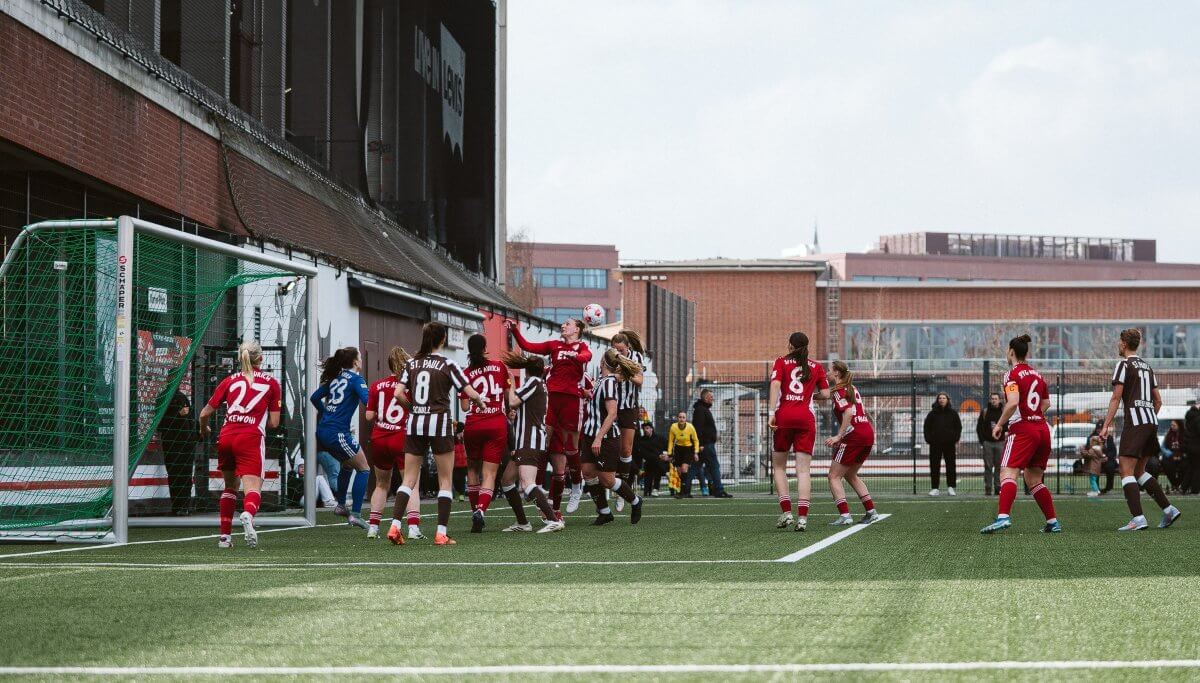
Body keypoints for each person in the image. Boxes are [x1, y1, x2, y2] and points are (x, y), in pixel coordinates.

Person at [388, 322, 486, 546]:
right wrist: (479, 402)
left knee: (409, 479)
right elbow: (468, 390)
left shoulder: (411, 364)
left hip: (415, 423)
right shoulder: (448, 364)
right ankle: (441, 533)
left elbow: (397, 394)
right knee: (445, 480)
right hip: (439, 423)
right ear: (442, 340)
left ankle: (394, 526)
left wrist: (412, 408)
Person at [505, 318, 592, 517]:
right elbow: (527, 345)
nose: (563, 326)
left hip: (571, 398)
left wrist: (578, 357)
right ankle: (534, 486)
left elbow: (587, 355)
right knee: (543, 442)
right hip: (553, 399)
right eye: (563, 324)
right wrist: (514, 331)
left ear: (577, 329)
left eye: (567, 324)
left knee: (571, 447)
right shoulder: (553, 345)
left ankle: (577, 486)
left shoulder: (582, 346)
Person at [198, 341, 281, 549]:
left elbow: (204, 414)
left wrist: (203, 429)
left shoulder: (229, 381)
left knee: (229, 487)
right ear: (260, 358)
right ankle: (248, 514)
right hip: (250, 437)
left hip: (226, 436)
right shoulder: (271, 383)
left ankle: (224, 539)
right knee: (253, 488)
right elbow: (273, 423)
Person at [1099, 328, 1181, 531]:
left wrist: (1106, 425)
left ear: (1124, 344)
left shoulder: (1123, 365)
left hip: (1135, 422)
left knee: (1125, 470)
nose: (1118, 345)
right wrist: (1149, 416)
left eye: (1119, 342)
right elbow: (1158, 400)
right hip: (1150, 421)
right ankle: (1169, 509)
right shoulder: (1146, 366)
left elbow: (1116, 397)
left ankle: (1138, 518)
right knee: (1139, 471)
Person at [981, 334, 1061, 534]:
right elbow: (1046, 404)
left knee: (1007, 471)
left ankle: (1003, 517)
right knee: (1034, 479)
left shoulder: (1012, 374)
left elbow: (1013, 401)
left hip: (1023, 429)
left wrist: (1000, 424)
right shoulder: (1038, 375)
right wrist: (1034, 417)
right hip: (1042, 430)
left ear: (1011, 352)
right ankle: (1052, 522)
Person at [768, 331, 830, 532]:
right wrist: (810, 396)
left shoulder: (780, 362)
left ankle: (786, 512)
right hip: (806, 419)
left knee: (779, 467)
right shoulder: (817, 366)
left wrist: (771, 412)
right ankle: (803, 518)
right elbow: (827, 394)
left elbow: (775, 385)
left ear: (790, 346)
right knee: (803, 470)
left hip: (784, 417)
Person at [496, 352, 562, 533]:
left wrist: (511, 382)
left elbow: (513, 401)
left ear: (527, 371)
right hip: (524, 440)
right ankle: (523, 522)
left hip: (529, 439)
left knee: (527, 483)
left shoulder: (533, 382)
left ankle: (553, 519)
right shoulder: (539, 383)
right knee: (507, 481)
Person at [309, 347, 372, 529]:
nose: (361, 360)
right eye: (360, 357)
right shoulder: (356, 380)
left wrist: (326, 412)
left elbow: (314, 397)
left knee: (347, 465)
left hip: (324, 430)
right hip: (337, 432)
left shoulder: (335, 379)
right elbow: (368, 401)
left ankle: (341, 505)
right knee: (364, 468)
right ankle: (357, 514)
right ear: (355, 362)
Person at [363, 347, 422, 540]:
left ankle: (373, 527)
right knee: (411, 483)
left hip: (380, 438)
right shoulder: (410, 386)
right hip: (402, 437)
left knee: (381, 484)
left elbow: (369, 415)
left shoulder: (376, 385)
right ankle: (413, 528)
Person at [579, 349, 644, 525]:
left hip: (606, 438)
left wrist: (599, 437)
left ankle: (636, 501)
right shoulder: (601, 380)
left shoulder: (608, 383)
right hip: (588, 434)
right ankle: (605, 512)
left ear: (602, 362)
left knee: (607, 480)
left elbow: (612, 414)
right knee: (587, 472)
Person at [460, 334, 514, 533]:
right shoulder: (499, 366)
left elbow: (465, 406)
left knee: (472, 470)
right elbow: (509, 396)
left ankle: (474, 511)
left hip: (474, 425)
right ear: (485, 348)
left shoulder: (465, 373)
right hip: (496, 424)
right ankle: (481, 510)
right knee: (489, 473)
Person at [824, 361, 880, 525]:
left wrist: (838, 436)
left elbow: (848, 412)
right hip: (867, 433)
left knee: (833, 476)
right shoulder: (851, 388)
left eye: (828, 370)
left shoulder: (838, 391)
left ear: (836, 373)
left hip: (853, 436)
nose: (826, 373)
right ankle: (871, 511)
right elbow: (826, 395)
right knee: (850, 474)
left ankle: (845, 516)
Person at [611, 330, 646, 511]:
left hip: (629, 408)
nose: (618, 353)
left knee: (626, 449)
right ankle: (607, 486)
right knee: (611, 448)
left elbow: (639, 380)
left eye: (621, 351)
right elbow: (606, 377)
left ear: (628, 347)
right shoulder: (610, 357)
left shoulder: (636, 357)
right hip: (611, 406)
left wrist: (625, 374)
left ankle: (623, 491)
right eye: (616, 350)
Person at [158, 388, 198, 515]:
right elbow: (160, 424)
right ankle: (177, 507)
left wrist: (199, 432)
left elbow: (190, 420)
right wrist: (178, 415)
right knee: (176, 475)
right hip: (172, 444)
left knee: (185, 476)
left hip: (186, 444)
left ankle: (184, 506)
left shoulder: (182, 397)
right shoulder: (163, 397)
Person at [693, 389, 732, 498]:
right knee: (715, 466)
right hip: (706, 445)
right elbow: (698, 428)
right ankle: (719, 490)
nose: (712, 399)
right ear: (706, 398)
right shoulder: (701, 410)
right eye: (711, 397)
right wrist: (700, 444)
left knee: (694, 467)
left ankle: (684, 490)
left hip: (705, 444)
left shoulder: (702, 409)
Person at [923, 393, 962, 496]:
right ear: (937, 400)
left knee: (951, 466)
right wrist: (929, 440)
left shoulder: (953, 413)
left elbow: (958, 427)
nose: (941, 400)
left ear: (947, 400)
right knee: (934, 466)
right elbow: (926, 428)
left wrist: (955, 438)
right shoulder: (932, 414)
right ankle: (935, 488)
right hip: (935, 444)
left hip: (949, 444)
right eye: (940, 398)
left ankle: (951, 487)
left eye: (944, 398)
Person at [976, 393, 1005, 496]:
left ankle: (998, 488)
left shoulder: (1004, 412)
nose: (993, 400)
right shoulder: (985, 412)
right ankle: (988, 488)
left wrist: (1003, 434)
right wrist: (982, 441)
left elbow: (1007, 426)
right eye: (992, 399)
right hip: (988, 443)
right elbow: (979, 427)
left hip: (1000, 443)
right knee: (988, 467)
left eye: (995, 399)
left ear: (999, 400)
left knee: (999, 466)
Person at [667, 411, 700, 498]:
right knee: (680, 472)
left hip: (688, 449)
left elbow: (696, 440)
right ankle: (687, 492)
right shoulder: (673, 427)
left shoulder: (690, 427)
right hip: (678, 449)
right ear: (677, 418)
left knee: (684, 469)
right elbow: (671, 441)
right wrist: (670, 453)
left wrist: (696, 452)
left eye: (683, 417)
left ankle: (682, 493)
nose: (681, 419)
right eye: (680, 417)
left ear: (686, 419)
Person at [633, 422, 668, 497]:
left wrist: (667, 455)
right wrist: (658, 456)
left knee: (657, 465)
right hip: (649, 463)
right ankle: (649, 490)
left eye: (647, 428)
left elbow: (668, 446)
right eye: (644, 429)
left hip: (659, 463)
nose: (645, 430)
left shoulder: (660, 438)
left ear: (651, 428)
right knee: (651, 466)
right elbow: (645, 455)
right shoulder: (642, 441)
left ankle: (655, 488)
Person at [1162, 420, 1185, 493]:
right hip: (1170, 456)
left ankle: (1178, 484)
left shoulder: (1184, 435)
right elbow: (1163, 447)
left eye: (1174, 425)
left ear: (1178, 426)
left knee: (1185, 465)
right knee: (1166, 464)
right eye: (1171, 425)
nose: (1172, 427)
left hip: (1182, 456)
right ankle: (1175, 484)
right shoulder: (1168, 434)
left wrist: (1181, 454)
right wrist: (1171, 454)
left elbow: (1187, 446)